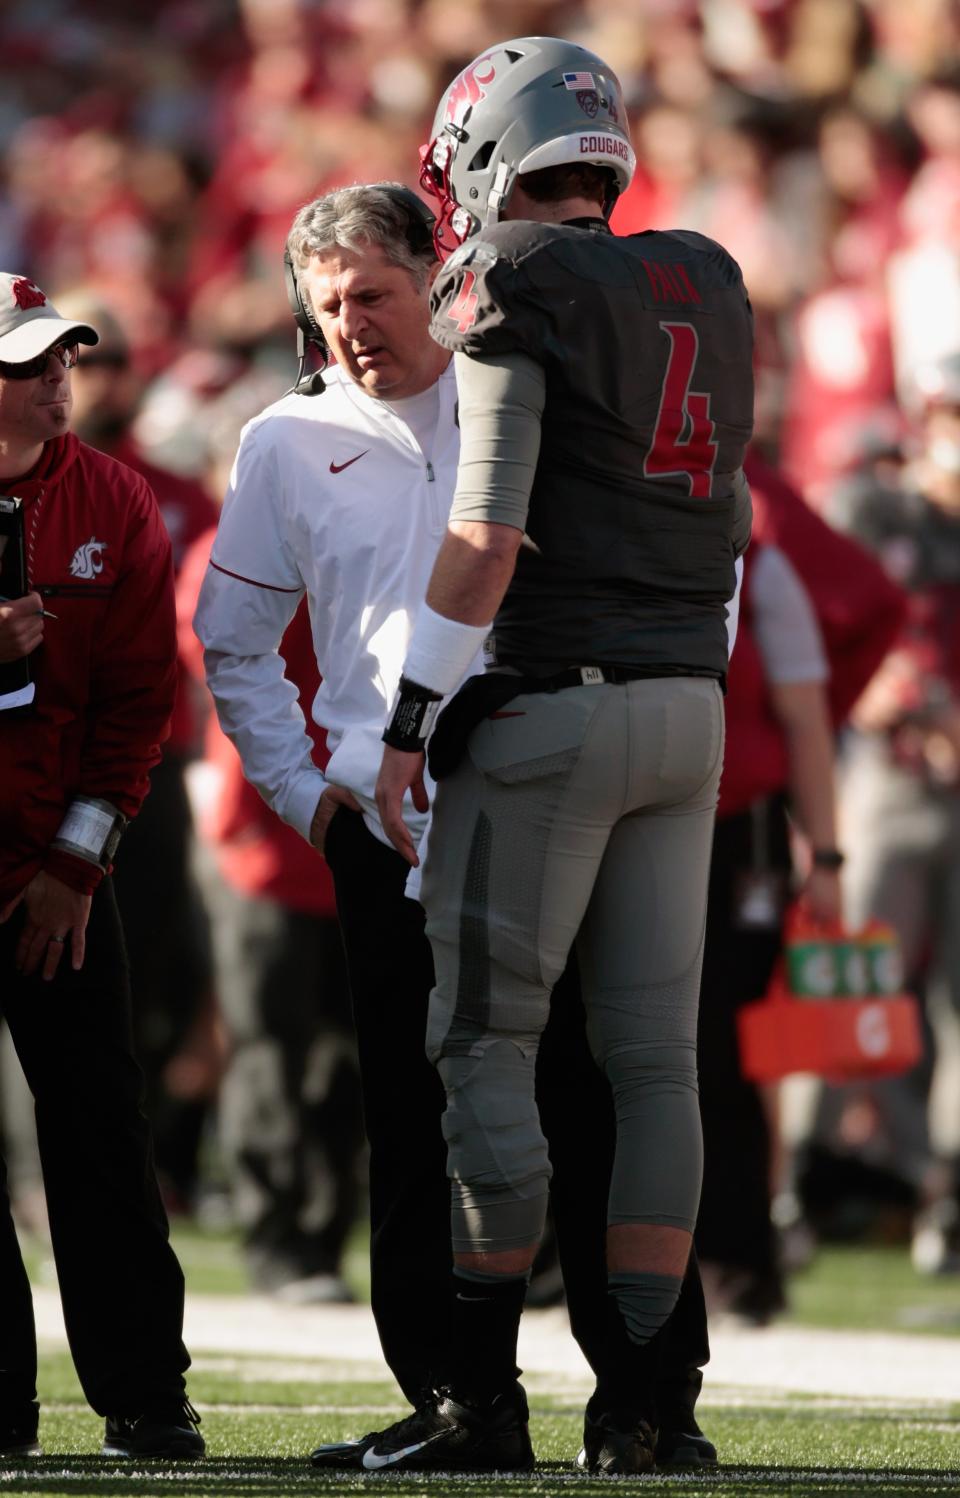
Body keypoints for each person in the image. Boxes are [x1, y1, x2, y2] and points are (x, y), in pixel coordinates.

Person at [195, 181, 716, 1476]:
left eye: (370, 292)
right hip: (390, 818)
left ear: (438, 270)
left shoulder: (527, 386)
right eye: (324, 305)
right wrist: (308, 796)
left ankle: (647, 1393)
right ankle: (452, 1393)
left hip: (552, 778)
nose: (349, 324)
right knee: (416, 1116)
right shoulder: (279, 442)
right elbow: (233, 646)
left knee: (603, 1088)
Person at [374, 36, 754, 1475]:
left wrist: (415, 713)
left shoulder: (513, 279)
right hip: (689, 701)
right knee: (656, 1065)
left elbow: (486, 530)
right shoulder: (706, 274)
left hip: (563, 700)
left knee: (488, 1044)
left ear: (484, 149)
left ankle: (482, 1399)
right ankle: (652, 1403)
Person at [0, 273, 203, 1459]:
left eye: (61, 356)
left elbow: (138, 705)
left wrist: (77, 866)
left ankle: (143, 1389)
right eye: (28, 363)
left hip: (59, 870)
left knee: (101, 1134)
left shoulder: (115, 499)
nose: (56, 379)